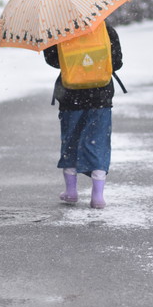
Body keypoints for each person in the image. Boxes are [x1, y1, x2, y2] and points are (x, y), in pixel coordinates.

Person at [43, 22, 123, 209]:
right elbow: (117, 62)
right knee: (98, 142)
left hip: (71, 96)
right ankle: (98, 196)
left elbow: (53, 61)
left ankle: (71, 191)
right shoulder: (105, 28)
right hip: (100, 96)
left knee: (71, 140)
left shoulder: (59, 29)